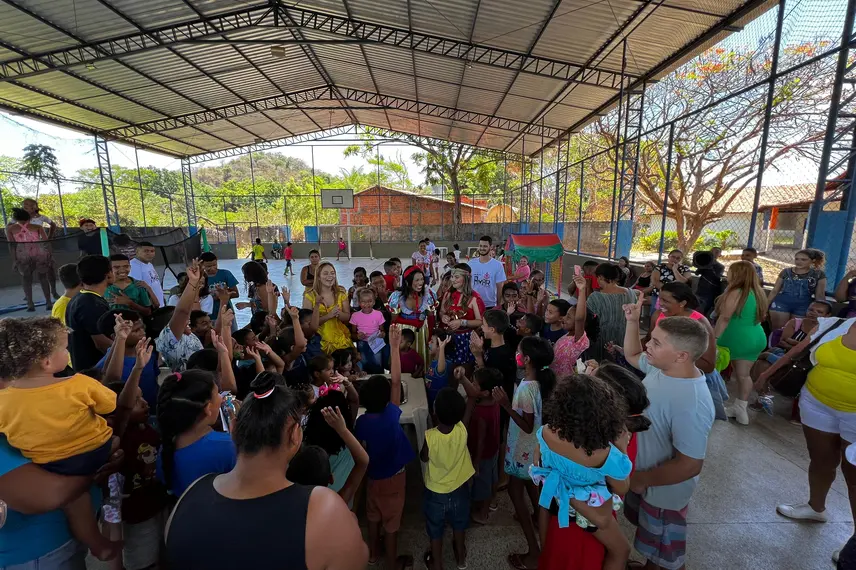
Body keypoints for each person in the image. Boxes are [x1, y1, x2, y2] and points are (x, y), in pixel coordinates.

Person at [165, 372, 367, 570]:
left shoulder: (189, 495)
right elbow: (358, 559)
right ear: (295, 436)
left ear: (233, 428)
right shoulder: (324, 509)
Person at [0, 317, 126, 561]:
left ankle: (97, 542)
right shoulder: (75, 384)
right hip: (35, 555)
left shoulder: (7, 401)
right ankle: (99, 543)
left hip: (59, 539)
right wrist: (99, 468)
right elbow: (49, 495)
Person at [622, 296, 714, 570]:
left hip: (663, 491)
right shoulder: (664, 368)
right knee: (653, 544)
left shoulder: (692, 401)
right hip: (645, 480)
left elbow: (690, 464)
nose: (647, 344)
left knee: (667, 552)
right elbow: (632, 355)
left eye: (656, 342)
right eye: (651, 338)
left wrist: (641, 478)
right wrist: (631, 321)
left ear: (682, 355)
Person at [538, 363, 651, 570]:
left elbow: (542, 465)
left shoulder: (547, 431)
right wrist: (621, 450)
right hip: (593, 515)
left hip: (562, 508)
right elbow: (621, 487)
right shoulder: (609, 447)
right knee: (620, 551)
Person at [762, 315, 856, 563]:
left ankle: (855, 543)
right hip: (816, 402)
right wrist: (766, 375)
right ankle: (816, 507)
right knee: (821, 460)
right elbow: (794, 354)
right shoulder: (836, 324)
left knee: (854, 474)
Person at [493, 336, 556, 570]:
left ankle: (534, 550)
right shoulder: (542, 381)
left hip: (523, 450)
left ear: (527, 359)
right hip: (535, 450)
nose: (516, 354)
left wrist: (505, 405)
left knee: (514, 490)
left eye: (519, 351)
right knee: (533, 487)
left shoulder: (526, 389)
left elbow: (527, 425)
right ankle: (540, 524)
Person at [356, 326, 415, 570]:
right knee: (392, 522)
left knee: (373, 515)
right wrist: (393, 346)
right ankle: (391, 563)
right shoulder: (391, 414)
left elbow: (360, 449)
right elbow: (396, 381)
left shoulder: (362, 423)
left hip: (373, 477)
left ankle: (372, 554)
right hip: (394, 477)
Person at [156, 368, 236, 497]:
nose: (221, 399)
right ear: (208, 409)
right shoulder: (228, 447)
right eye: (217, 394)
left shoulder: (166, 445)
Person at [421, 387, 475, 570]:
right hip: (460, 489)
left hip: (435, 493)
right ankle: (461, 559)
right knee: (459, 526)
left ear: (435, 411)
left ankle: (437, 564)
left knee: (435, 531)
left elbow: (424, 457)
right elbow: (472, 397)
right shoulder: (462, 428)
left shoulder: (430, 436)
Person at [716, 261, 769, 425]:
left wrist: (714, 338)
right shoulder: (758, 292)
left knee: (713, 371)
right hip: (756, 336)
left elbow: (724, 318)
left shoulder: (735, 292)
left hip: (735, 336)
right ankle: (741, 408)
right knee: (743, 375)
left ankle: (711, 405)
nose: (727, 274)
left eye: (730, 271)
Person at [456, 367, 502, 525]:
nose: (471, 386)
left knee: (483, 484)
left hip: (482, 454)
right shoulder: (495, 401)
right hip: (493, 449)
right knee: (492, 478)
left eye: (474, 384)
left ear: (484, 392)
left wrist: (476, 462)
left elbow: (481, 440)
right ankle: (492, 503)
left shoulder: (481, 412)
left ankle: (482, 514)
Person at [96, 309, 161, 411]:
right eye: (136, 330)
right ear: (115, 336)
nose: (143, 332)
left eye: (142, 328)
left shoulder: (147, 353)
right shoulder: (105, 367)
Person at [155, 261, 205, 372]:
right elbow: (182, 311)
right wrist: (192, 282)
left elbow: (190, 311)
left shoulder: (188, 335)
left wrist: (196, 284)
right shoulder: (167, 338)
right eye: (183, 320)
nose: (188, 319)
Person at [66, 254, 114, 370]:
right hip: (96, 372)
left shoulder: (79, 298)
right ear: (107, 275)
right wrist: (128, 353)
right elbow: (101, 343)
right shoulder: (91, 304)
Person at [586, 263, 638, 362]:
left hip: (603, 341)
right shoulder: (631, 293)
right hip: (625, 339)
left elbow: (588, 319)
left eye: (597, 278)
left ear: (601, 277)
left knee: (601, 368)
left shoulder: (596, 297)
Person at [768, 248, 828, 331]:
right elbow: (775, 290)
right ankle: (774, 344)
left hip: (804, 306)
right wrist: (765, 306)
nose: (799, 262)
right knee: (777, 330)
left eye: (803, 260)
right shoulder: (786, 272)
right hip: (781, 304)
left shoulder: (818, 274)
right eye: (797, 259)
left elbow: (820, 295)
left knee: (795, 330)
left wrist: (822, 311)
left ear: (812, 261)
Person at [388, 266, 437, 364]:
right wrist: (412, 322)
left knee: (422, 357)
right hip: (404, 334)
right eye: (417, 280)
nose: (420, 283)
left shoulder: (428, 294)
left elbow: (431, 317)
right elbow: (394, 320)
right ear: (407, 282)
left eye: (422, 279)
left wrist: (430, 336)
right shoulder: (397, 296)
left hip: (422, 331)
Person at [7, 207, 52, 311]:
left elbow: (12, 245)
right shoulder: (37, 227)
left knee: (26, 279)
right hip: (39, 252)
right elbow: (46, 241)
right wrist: (50, 255)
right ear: (29, 218)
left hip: (22, 254)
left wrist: (14, 260)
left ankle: (30, 304)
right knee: (43, 277)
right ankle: (48, 302)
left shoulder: (11, 229)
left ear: (15, 218)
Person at [439, 264, 485, 365]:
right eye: (452, 276)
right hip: (449, 337)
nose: (452, 280)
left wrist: (462, 322)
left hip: (465, 339)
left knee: (464, 368)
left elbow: (480, 321)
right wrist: (443, 317)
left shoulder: (474, 298)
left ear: (466, 278)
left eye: (456, 277)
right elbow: (442, 311)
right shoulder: (448, 294)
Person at [303, 262, 352, 354]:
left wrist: (338, 314)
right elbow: (307, 324)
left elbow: (347, 317)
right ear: (318, 277)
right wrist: (329, 316)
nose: (330, 276)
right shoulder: (310, 296)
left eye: (332, 273)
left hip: (340, 338)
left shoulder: (341, 294)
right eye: (325, 273)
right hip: (319, 340)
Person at [551, 274, 590, 378]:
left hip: (567, 385)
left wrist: (581, 290)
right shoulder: (567, 335)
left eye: (568, 317)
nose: (563, 318)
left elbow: (579, 318)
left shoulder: (579, 340)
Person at [21, 198, 61, 300]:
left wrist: (49, 237)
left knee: (49, 269)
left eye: (31, 205)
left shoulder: (41, 218)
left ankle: (54, 291)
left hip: (42, 246)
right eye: (25, 206)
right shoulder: (19, 218)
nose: (28, 207)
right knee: (27, 271)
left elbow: (53, 224)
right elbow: (10, 227)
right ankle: (27, 294)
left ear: (36, 207)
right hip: (26, 248)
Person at [350, 287, 387, 374]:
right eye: (363, 302)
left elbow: (382, 330)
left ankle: (379, 379)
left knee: (378, 363)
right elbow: (352, 334)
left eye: (370, 301)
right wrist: (358, 336)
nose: (367, 304)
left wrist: (382, 334)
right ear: (359, 303)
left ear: (374, 302)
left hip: (376, 342)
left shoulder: (378, 314)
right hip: (362, 343)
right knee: (364, 363)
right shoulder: (355, 316)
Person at [469, 236, 507, 309]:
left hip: (490, 305)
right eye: (480, 246)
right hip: (473, 304)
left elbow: (500, 287)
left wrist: (498, 305)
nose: (482, 248)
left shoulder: (498, 265)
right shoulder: (471, 263)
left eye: (485, 246)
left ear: (491, 247)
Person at [201, 251, 239, 323]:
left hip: (226, 313)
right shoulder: (199, 278)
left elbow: (236, 293)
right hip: (207, 317)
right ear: (201, 265)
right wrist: (210, 297)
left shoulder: (225, 274)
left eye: (215, 265)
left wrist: (223, 295)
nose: (212, 268)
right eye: (208, 266)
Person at [128, 241, 164, 307]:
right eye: (146, 251)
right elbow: (138, 288)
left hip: (159, 304)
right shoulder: (133, 266)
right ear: (137, 252)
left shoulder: (149, 264)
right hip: (150, 306)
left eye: (152, 251)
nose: (149, 253)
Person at [693, 251, 725, 317]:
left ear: (720, 254)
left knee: (704, 309)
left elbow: (717, 277)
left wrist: (711, 268)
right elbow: (697, 273)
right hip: (700, 289)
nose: (714, 253)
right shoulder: (704, 263)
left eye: (716, 252)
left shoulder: (720, 266)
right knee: (697, 306)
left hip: (711, 291)